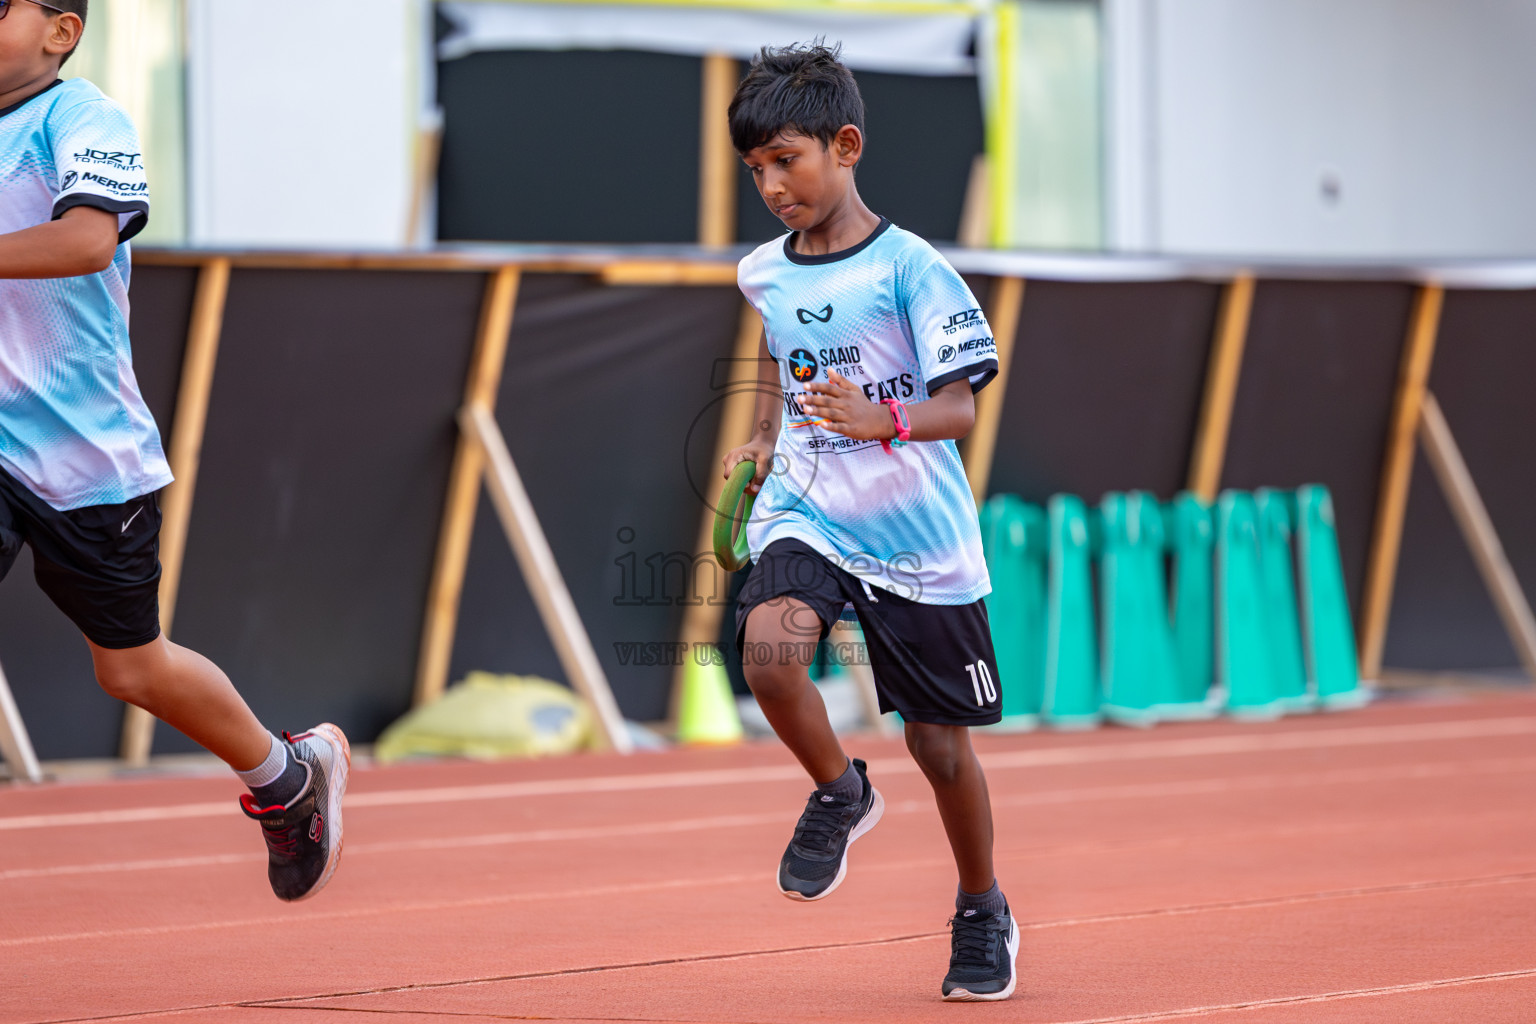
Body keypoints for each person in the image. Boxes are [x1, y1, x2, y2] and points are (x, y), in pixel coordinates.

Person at [0, 0, 348, 902]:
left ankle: (286, 777)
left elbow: (87, 239)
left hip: (83, 457)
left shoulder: (82, 118)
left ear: (61, 32)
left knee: (131, 667)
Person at [721, 42, 1018, 1001]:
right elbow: (780, 357)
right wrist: (764, 437)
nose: (771, 185)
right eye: (756, 169)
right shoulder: (764, 273)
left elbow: (958, 409)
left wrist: (880, 417)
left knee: (939, 748)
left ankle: (982, 908)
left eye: (787, 161)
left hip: (916, 536)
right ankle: (840, 790)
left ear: (845, 147)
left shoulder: (912, 269)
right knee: (770, 652)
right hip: (808, 507)